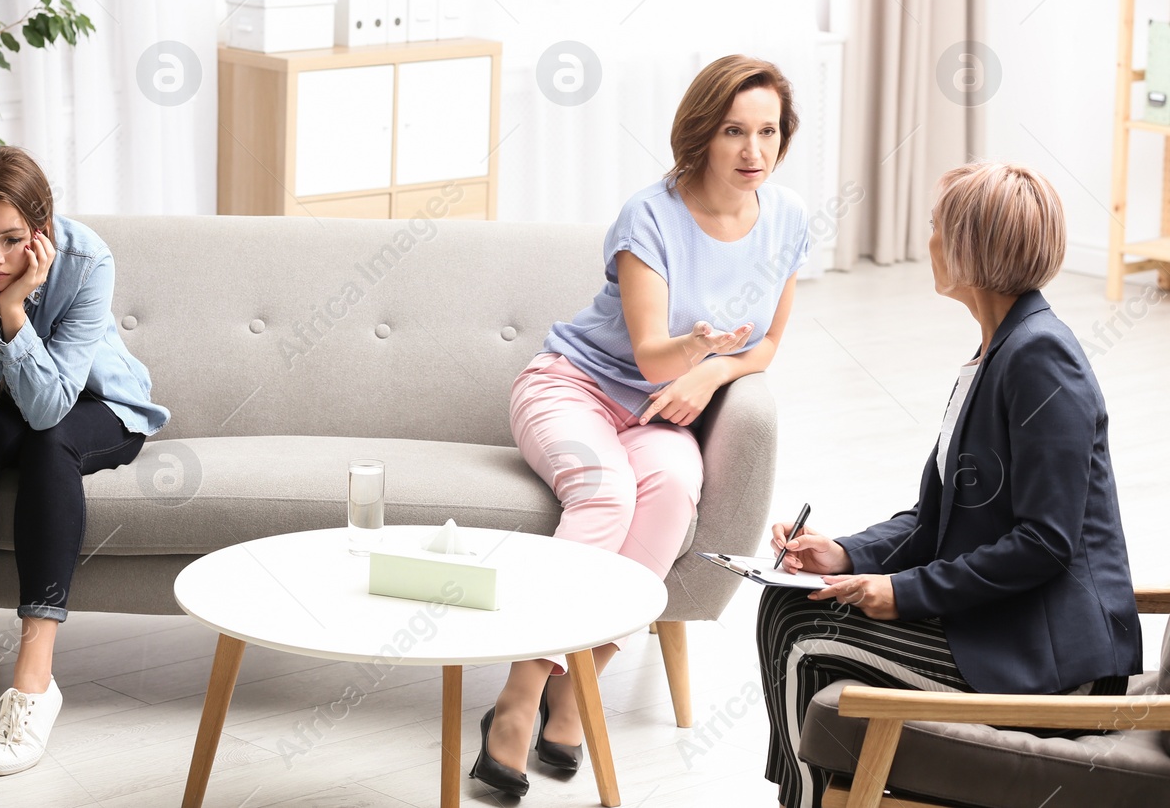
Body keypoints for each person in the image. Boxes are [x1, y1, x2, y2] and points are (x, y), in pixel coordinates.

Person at [471, 54, 811, 796]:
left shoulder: (787, 218)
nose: (754, 151)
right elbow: (653, 351)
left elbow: (769, 344)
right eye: (733, 131)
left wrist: (714, 371)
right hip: (575, 386)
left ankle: (577, 686)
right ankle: (519, 696)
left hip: (657, 411)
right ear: (701, 133)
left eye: (768, 131)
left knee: (671, 495)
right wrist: (695, 348)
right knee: (606, 494)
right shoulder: (650, 215)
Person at [757, 161, 1141, 808]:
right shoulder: (997, 352)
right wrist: (849, 554)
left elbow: (1045, 541)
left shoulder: (1042, 360)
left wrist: (903, 591)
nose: (929, 240)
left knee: (802, 634)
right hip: (1003, 626)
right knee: (794, 602)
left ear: (973, 244)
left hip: (1054, 666)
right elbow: (933, 516)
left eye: (939, 228)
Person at [0, 146, 169, 777]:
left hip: (92, 404)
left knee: (48, 445)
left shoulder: (86, 261)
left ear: (42, 231)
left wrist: (16, 311)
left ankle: (33, 686)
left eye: (10, 239)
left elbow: (52, 406)